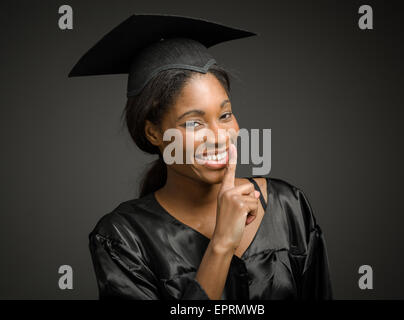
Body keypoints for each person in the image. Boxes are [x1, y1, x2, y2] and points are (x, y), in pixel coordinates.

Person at [69, 14, 333, 300]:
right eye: (194, 123)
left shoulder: (287, 207)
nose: (219, 136)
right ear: (154, 133)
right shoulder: (123, 239)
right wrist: (221, 245)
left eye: (225, 115)